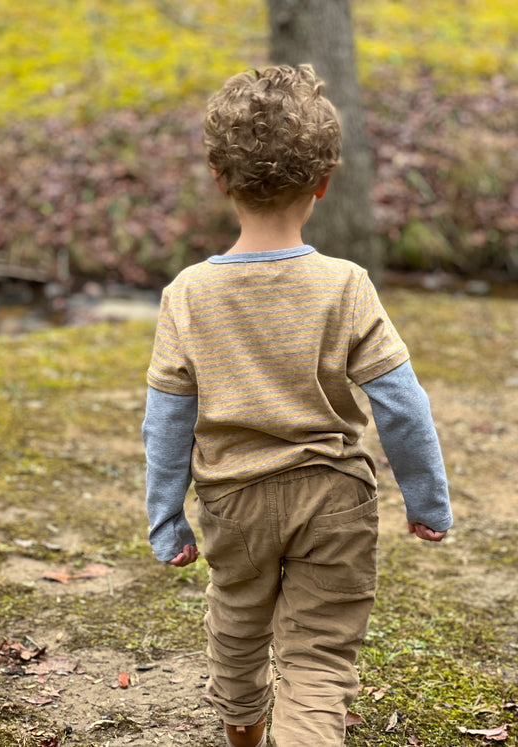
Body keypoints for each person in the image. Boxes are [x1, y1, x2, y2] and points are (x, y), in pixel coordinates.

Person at [142, 64, 452, 747]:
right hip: (335, 498)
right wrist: (426, 498)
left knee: (238, 626)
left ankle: (246, 734)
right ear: (322, 184)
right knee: (318, 656)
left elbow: (167, 419)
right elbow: (401, 403)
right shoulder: (345, 285)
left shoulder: (188, 294)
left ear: (221, 181)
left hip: (233, 502)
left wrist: (166, 519)